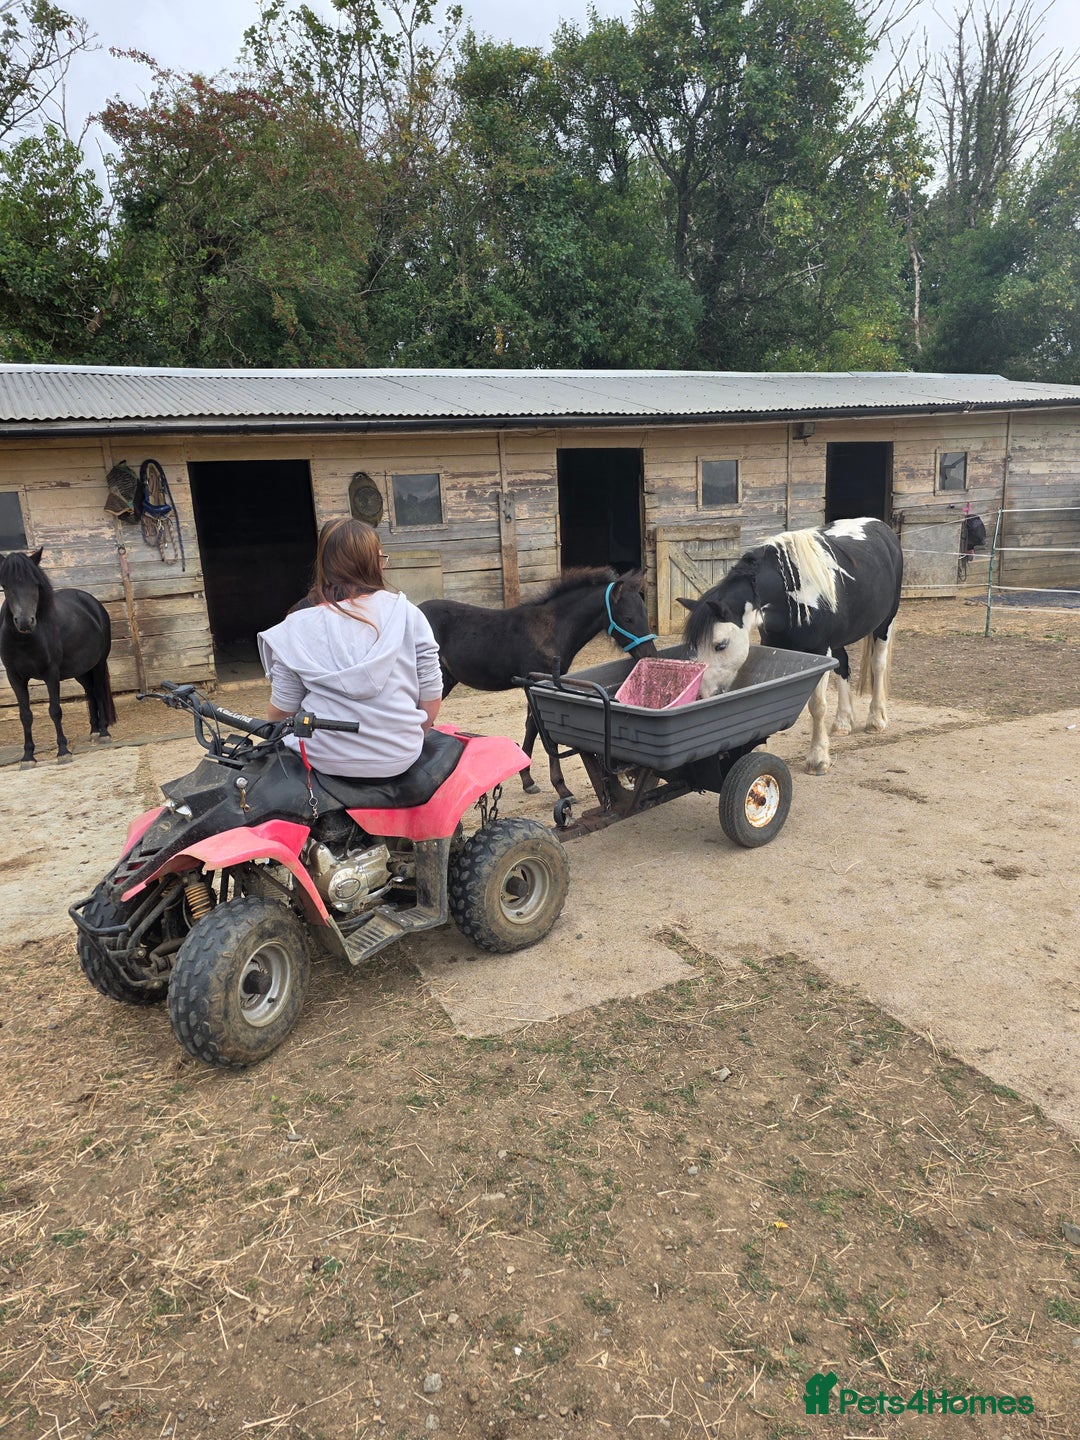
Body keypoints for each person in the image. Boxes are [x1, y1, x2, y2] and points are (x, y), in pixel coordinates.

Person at [257, 517, 442, 778]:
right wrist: (411, 737)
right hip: (401, 755)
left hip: (323, 757)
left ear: (325, 564)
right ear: (374, 563)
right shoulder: (408, 614)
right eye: (382, 558)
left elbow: (282, 711)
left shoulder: (297, 626)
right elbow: (431, 695)